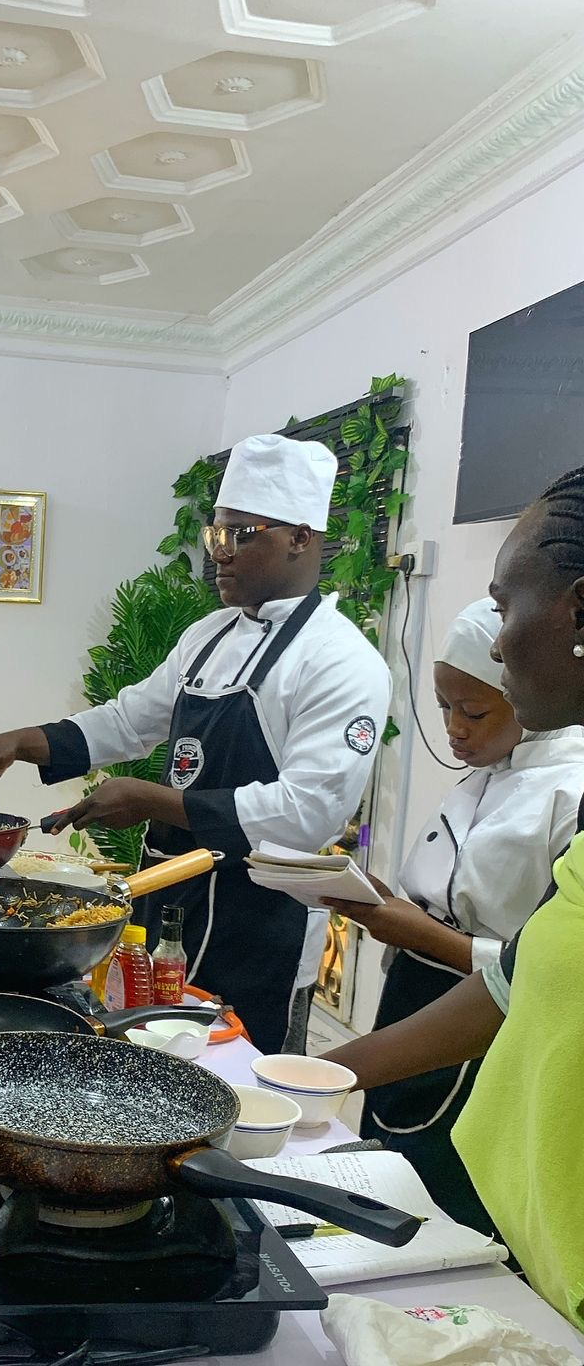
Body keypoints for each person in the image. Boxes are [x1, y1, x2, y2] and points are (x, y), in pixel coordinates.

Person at [0, 434, 392, 1052]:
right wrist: (22, 741)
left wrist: (156, 803)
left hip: (257, 924)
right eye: (217, 535)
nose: (221, 555)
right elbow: (131, 719)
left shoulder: (341, 661)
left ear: (301, 536)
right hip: (170, 903)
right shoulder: (209, 634)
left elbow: (307, 814)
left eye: (243, 535)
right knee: (152, 1065)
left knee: (235, 1088)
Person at [326, 466, 584, 1330]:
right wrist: (316, 1073)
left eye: (507, 607)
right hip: (545, 1257)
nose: (501, 645)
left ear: (578, 612)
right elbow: (517, 981)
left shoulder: (566, 787)